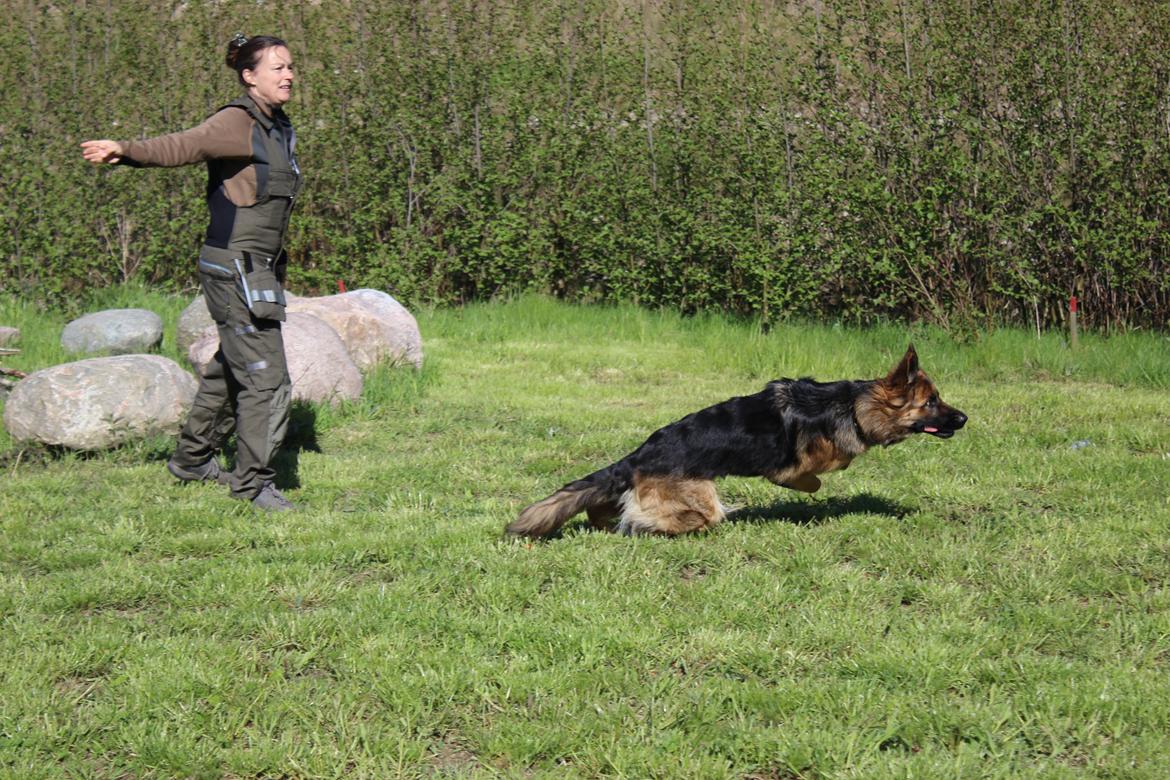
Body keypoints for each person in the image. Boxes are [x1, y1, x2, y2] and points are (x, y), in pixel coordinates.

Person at [82, 34, 303, 511]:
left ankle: (191, 459)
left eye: (290, 67)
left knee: (231, 369)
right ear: (249, 76)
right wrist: (127, 149)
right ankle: (253, 484)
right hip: (234, 267)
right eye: (277, 68)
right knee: (267, 378)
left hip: (256, 268)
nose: (288, 75)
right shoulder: (236, 122)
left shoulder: (277, 125)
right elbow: (186, 144)